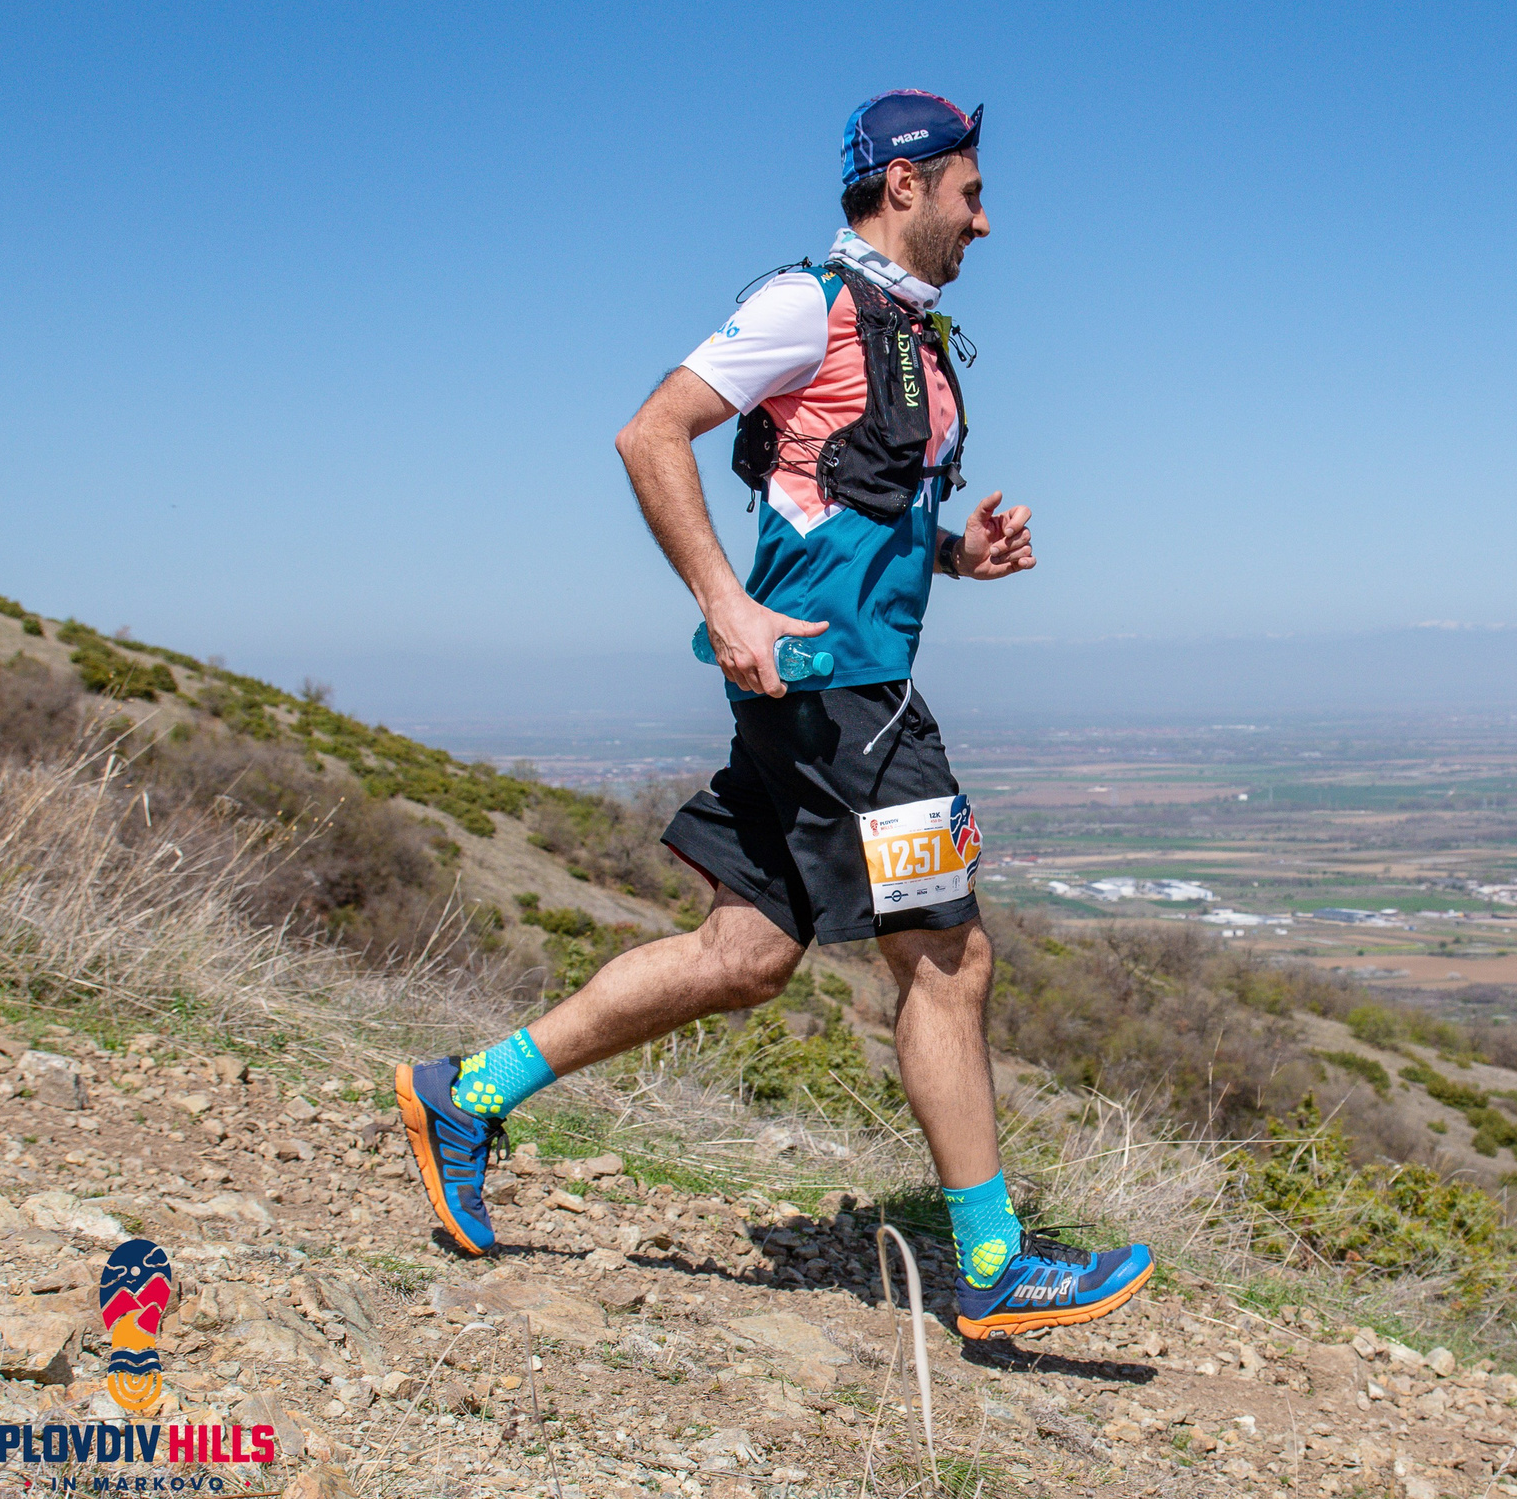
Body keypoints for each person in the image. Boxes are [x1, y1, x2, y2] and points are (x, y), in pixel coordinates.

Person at [395, 91, 1151, 1341]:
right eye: (971, 189)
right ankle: (994, 1261)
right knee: (948, 957)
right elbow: (652, 434)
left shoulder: (915, 335)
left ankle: (467, 1092)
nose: (987, 219)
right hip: (846, 697)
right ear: (902, 185)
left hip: (828, 694)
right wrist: (722, 599)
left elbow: (847, 507)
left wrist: (959, 554)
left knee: (744, 956)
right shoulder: (809, 302)